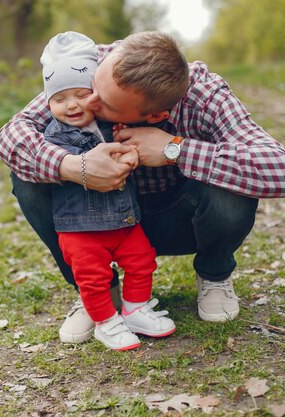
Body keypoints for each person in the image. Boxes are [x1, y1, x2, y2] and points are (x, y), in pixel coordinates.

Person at [0, 31, 285, 344]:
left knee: (234, 183)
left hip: (179, 220)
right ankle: (99, 292)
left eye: (106, 103)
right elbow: (10, 135)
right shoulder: (90, 64)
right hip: (95, 222)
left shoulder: (205, 95)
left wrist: (176, 150)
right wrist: (75, 168)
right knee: (28, 175)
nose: (88, 101)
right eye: (93, 87)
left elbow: (282, 169)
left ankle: (214, 273)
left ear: (155, 115)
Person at [38, 31, 175, 350]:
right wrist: (82, 163)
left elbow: (129, 146)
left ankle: (136, 308)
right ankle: (104, 322)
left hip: (125, 221)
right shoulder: (56, 134)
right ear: (48, 103)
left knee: (143, 260)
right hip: (81, 228)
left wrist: (131, 153)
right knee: (93, 278)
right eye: (59, 99)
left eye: (80, 94)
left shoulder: (110, 122)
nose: (71, 105)